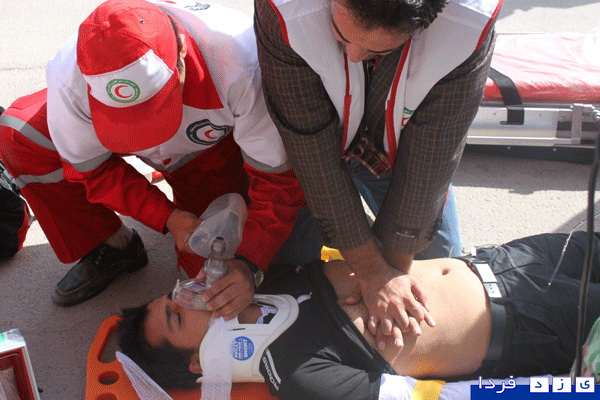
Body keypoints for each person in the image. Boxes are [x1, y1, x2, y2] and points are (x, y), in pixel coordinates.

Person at [0, 0, 318, 312]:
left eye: (156, 107)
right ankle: (112, 244)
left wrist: (251, 261)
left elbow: (278, 180)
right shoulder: (69, 76)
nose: (150, 140)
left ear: (181, 50)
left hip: (209, 155)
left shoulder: (243, 63)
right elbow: (91, 171)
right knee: (20, 135)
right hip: (184, 143)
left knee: (219, 275)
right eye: (127, 119)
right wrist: (168, 217)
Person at [253, 0, 503, 344]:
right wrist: (372, 271)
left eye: (377, 50)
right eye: (342, 35)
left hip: (397, 148)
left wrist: (393, 270)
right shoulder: (284, 10)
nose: (354, 55)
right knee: (284, 276)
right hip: (312, 148)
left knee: (436, 266)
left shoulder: (468, 23)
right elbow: (312, 152)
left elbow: (432, 157)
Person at [117, 230, 600, 399]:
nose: (189, 295)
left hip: (508, 258)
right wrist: (565, 389)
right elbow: (432, 397)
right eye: (178, 316)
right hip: (532, 325)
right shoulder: (297, 375)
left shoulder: (259, 281)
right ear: (199, 363)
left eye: (174, 295)